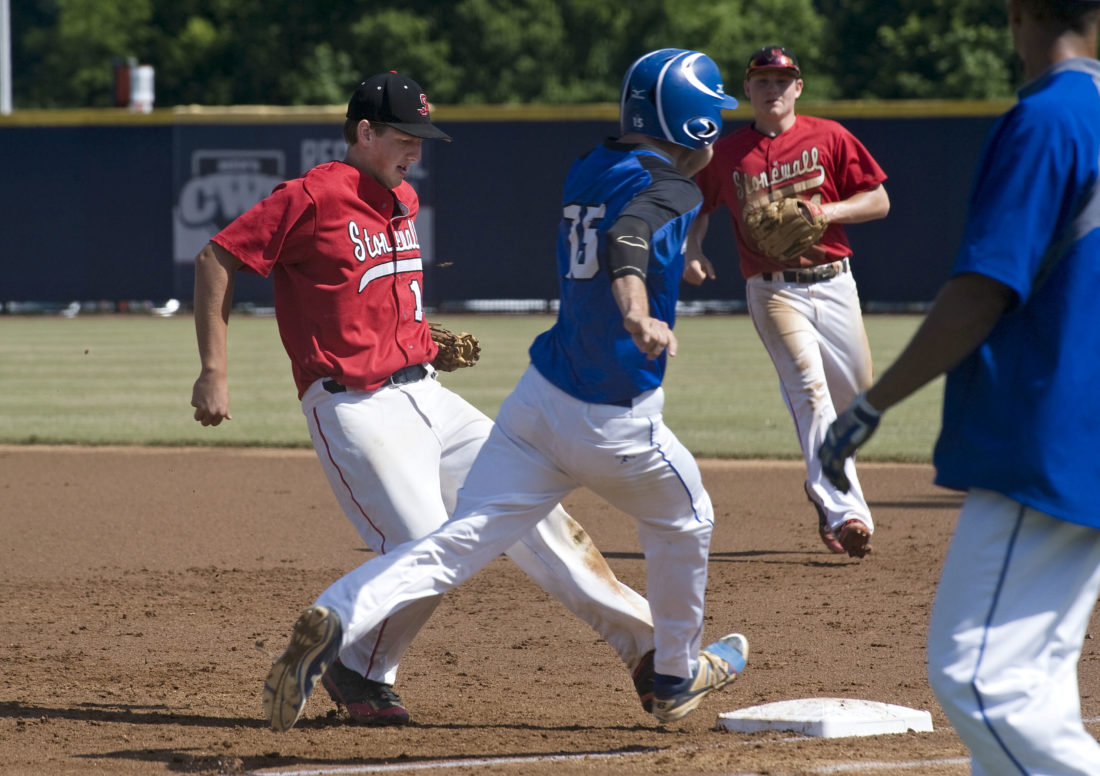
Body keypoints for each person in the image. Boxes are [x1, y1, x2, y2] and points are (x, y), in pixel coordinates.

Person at [261, 48, 749, 732]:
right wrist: (639, 311)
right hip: (613, 416)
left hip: (538, 405)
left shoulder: (589, 165)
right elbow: (629, 239)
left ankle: (341, 611)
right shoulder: (674, 192)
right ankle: (674, 671)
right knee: (687, 519)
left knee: (457, 542)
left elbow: (620, 216)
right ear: (696, 126)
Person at [190, 70, 658, 729]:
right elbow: (217, 257)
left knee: (530, 502)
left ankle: (652, 651)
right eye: (405, 136)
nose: (416, 149)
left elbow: (364, 290)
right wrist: (214, 370)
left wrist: (416, 339)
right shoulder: (313, 195)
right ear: (365, 132)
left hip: (430, 395)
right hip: (356, 406)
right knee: (425, 546)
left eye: (421, 138)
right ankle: (362, 666)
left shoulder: (402, 197)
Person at [819, 1, 1100, 771]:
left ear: (1020, 12)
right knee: (1035, 683)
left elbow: (981, 293)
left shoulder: (1049, 118)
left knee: (982, 680)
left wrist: (870, 404)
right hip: (1082, 435)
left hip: (1047, 433)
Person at [685, 46, 889, 558]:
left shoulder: (830, 136)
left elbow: (879, 200)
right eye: (762, 80)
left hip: (835, 282)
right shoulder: (728, 153)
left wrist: (826, 211)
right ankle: (847, 513)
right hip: (773, 288)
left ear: (798, 87)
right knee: (809, 392)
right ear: (747, 90)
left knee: (856, 406)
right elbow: (697, 205)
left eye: (782, 80)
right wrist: (693, 249)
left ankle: (822, 486)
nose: (772, 89)